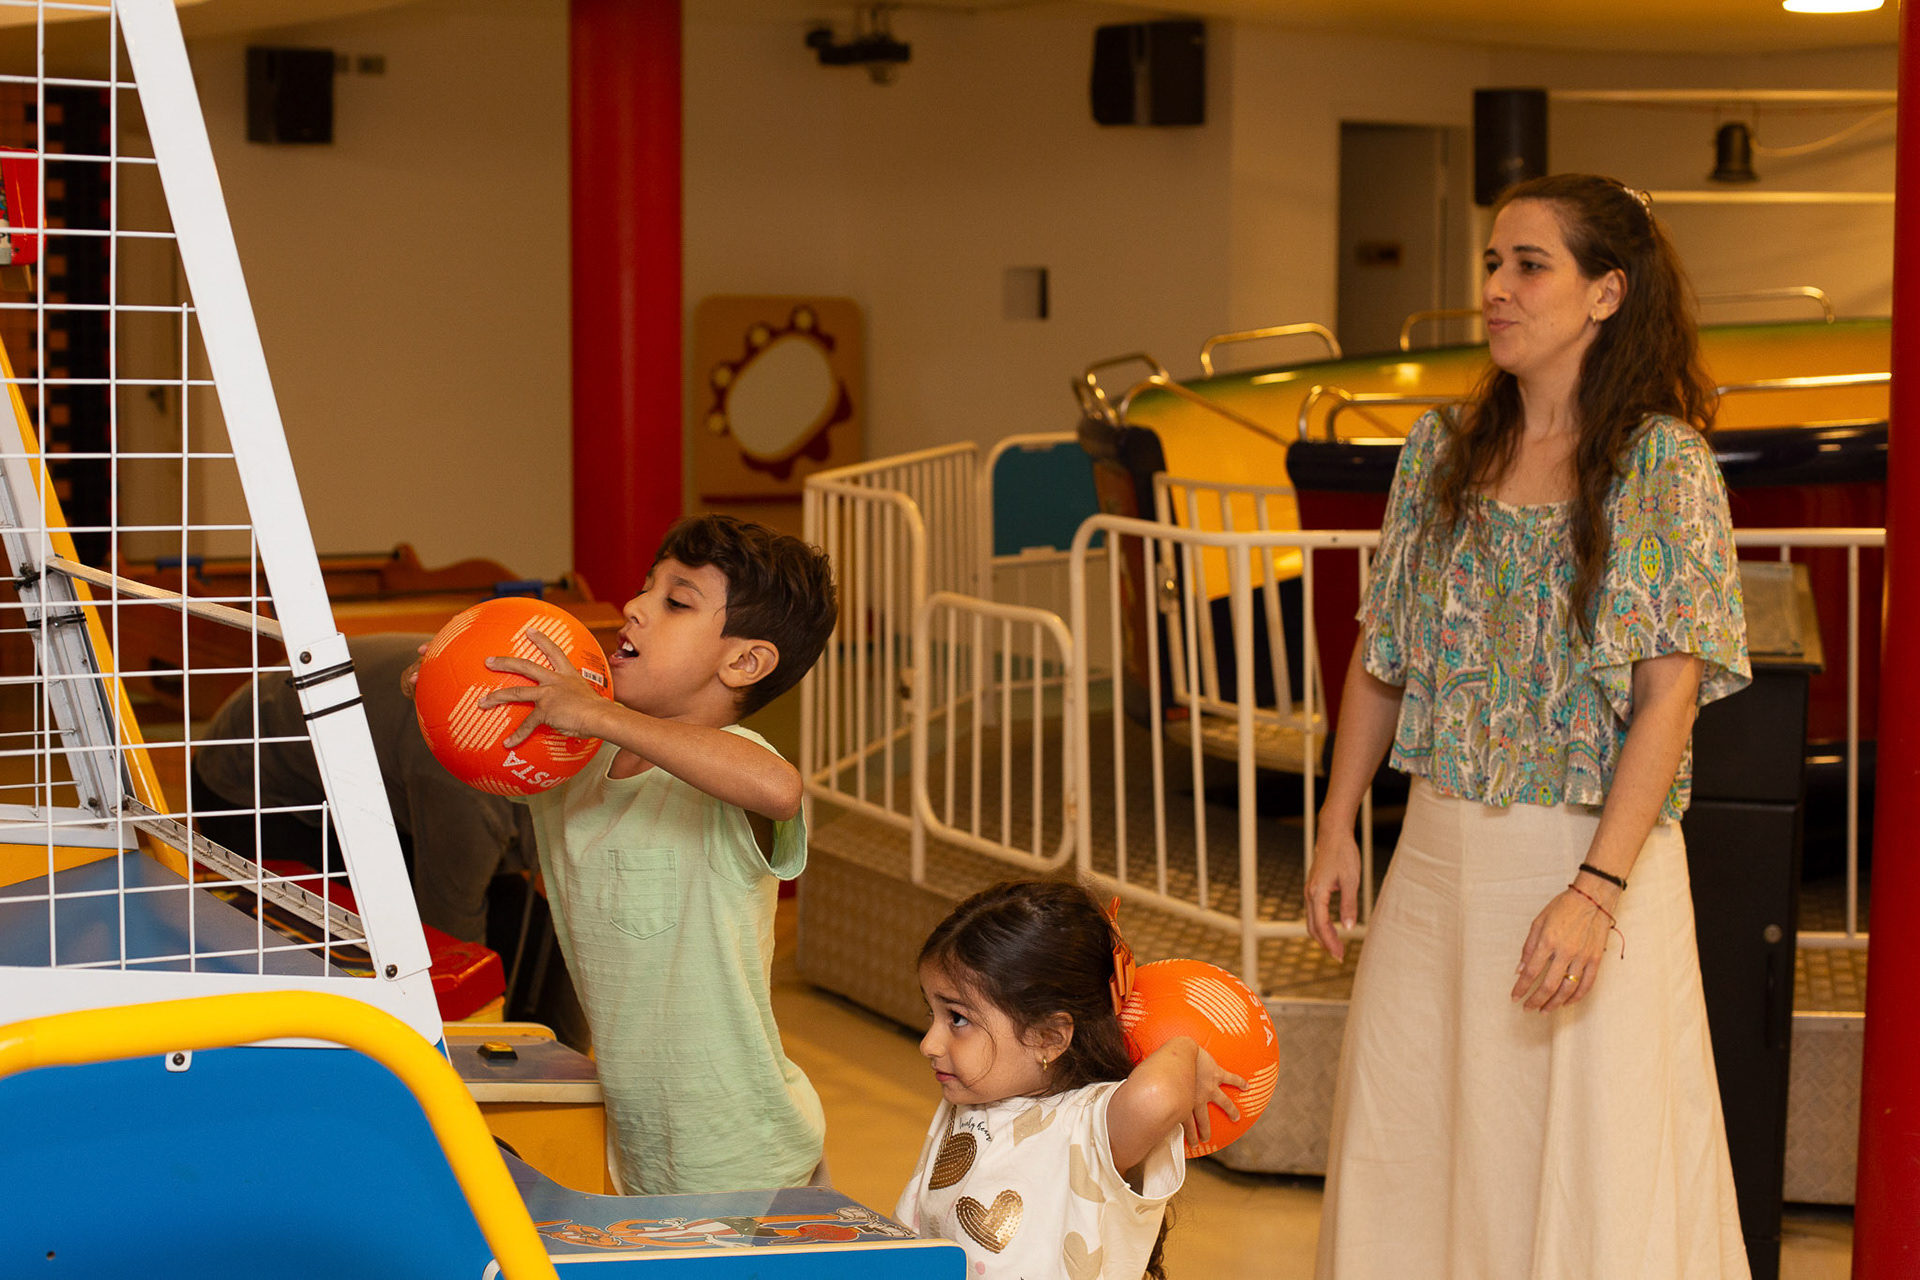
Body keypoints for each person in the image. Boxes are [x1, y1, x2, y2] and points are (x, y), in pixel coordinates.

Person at [1305, 173, 1752, 1278]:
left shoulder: (1663, 465)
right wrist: (1336, 820)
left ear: (1607, 292)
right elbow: (1382, 651)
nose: (1497, 288)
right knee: (1415, 1135)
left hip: (1586, 859)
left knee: (1593, 1156)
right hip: (1435, 855)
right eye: (1493, 264)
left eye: (1529, 265)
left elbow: (1668, 698)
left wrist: (1595, 893)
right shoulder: (1438, 451)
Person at [443, 513, 838, 1197]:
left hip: (741, 1142)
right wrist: (444, 682)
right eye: (646, 587)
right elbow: (481, 746)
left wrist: (597, 713)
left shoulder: (736, 770)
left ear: (743, 663)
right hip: (640, 1141)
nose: (634, 606)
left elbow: (778, 788)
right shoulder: (578, 766)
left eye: (676, 601)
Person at [895, 880, 1243, 1280]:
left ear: (1048, 1037)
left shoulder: (1088, 1126)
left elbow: (1157, 1096)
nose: (929, 1044)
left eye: (957, 1018)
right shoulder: (972, 1098)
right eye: (933, 1013)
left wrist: (1186, 1048)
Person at [193, 632, 533, 943]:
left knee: (513, 914)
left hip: (342, 751)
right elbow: (451, 936)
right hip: (250, 781)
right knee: (372, 938)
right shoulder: (472, 793)